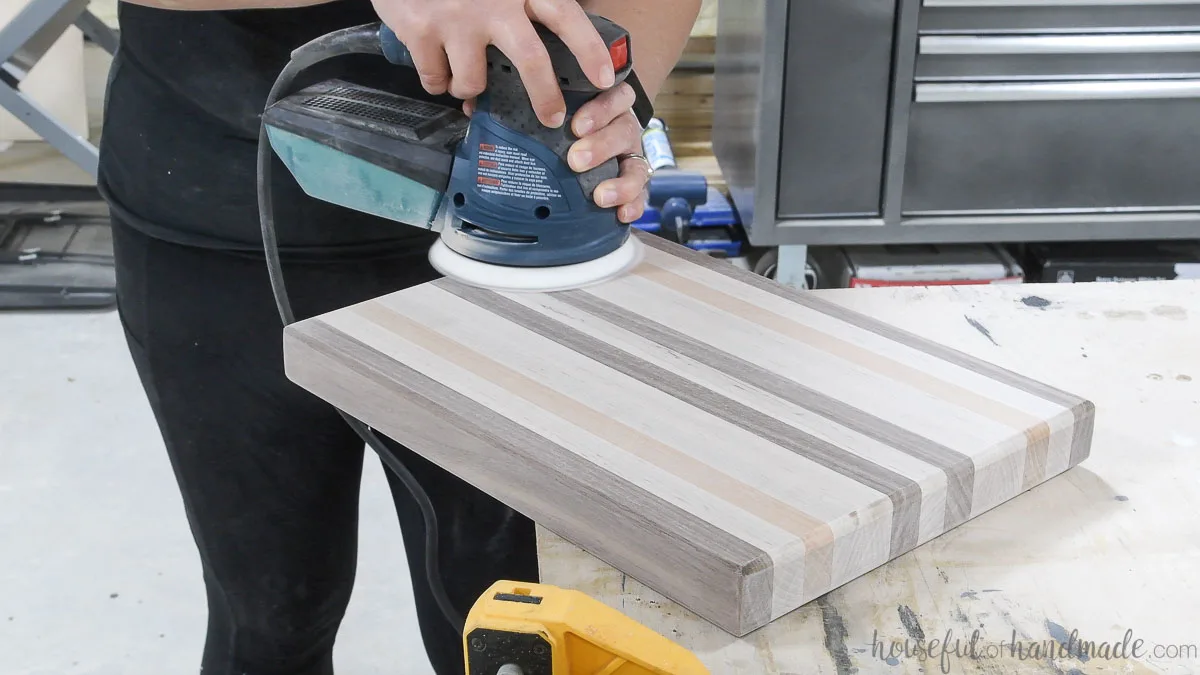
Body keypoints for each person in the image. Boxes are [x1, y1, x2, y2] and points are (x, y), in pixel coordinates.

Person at [97, 0, 700, 673]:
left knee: (511, 624)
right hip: (218, 210)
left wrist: (606, 110)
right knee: (270, 614)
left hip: (519, 236)